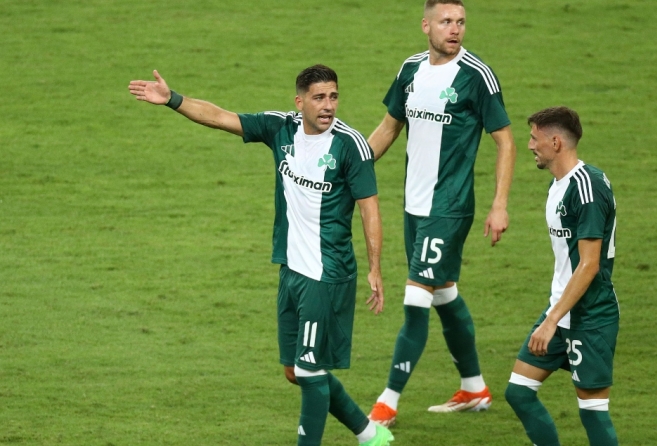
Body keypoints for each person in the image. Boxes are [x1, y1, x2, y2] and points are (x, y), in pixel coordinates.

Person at [128, 65, 394, 446]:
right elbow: (220, 117)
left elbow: (370, 209)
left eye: (334, 96)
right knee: (294, 371)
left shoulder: (350, 146)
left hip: (326, 274)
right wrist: (172, 99)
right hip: (291, 270)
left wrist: (375, 268)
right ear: (299, 101)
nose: (328, 106)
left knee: (309, 371)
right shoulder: (280, 128)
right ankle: (369, 433)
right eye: (319, 98)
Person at [365, 0, 516, 427]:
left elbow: (505, 140)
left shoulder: (476, 76)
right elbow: (389, 127)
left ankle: (387, 403)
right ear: (426, 25)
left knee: (416, 298)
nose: (455, 29)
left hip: (449, 208)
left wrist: (499, 204)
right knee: (443, 292)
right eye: (447, 21)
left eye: (461, 22)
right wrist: (352, 170)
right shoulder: (410, 69)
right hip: (414, 206)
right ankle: (474, 388)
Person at [505, 106, 619, 446]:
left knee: (592, 411)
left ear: (556, 142)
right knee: (518, 392)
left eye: (534, 139)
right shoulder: (559, 185)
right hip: (560, 310)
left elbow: (589, 264)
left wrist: (551, 320)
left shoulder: (586, 188)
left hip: (589, 315)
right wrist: (554, 315)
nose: (530, 145)